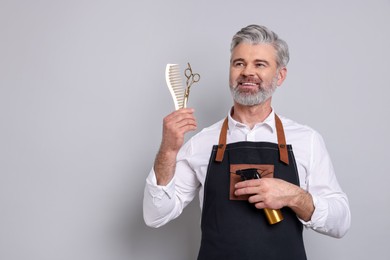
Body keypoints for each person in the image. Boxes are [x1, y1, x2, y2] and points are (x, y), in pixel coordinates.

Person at [143, 24, 351, 259]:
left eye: (260, 64)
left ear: (280, 75)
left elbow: (340, 222)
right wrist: (169, 150)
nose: (247, 72)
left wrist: (294, 196)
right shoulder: (201, 143)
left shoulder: (307, 140)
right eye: (238, 63)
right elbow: (155, 215)